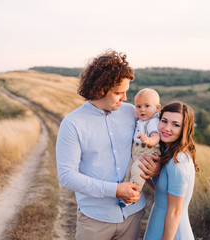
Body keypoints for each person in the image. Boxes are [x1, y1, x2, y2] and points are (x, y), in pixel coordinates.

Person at [56, 50, 160, 240]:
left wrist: (155, 168)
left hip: (133, 214)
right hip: (95, 219)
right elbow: (67, 176)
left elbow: (157, 141)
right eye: (119, 93)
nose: (125, 98)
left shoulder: (133, 113)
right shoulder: (72, 123)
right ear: (99, 89)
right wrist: (115, 190)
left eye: (126, 91)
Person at [143, 101, 199, 240]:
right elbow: (162, 194)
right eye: (164, 121)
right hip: (158, 223)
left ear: (185, 129)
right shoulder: (169, 154)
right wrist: (149, 175)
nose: (167, 128)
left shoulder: (178, 161)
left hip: (172, 232)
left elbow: (174, 211)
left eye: (176, 125)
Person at [119, 88, 161, 207]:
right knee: (127, 171)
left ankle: (132, 195)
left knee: (137, 172)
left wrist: (149, 140)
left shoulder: (153, 121)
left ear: (157, 108)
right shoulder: (141, 120)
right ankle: (123, 193)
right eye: (138, 106)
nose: (142, 109)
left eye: (147, 106)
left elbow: (156, 136)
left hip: (146, 152)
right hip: (136, 152)